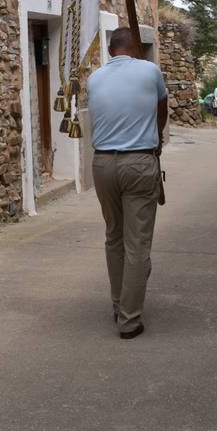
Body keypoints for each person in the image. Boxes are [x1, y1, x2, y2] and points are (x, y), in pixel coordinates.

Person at [86, 26, 168, 339]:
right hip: (139, 160)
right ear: (134, 48)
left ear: (110, 50)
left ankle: (119, 304)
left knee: (114, 236)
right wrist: (157, 138)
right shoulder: (150, 71)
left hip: (103, 162)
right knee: (138, 243)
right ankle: (129, 320)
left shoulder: (94, 78)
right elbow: (162, 108)